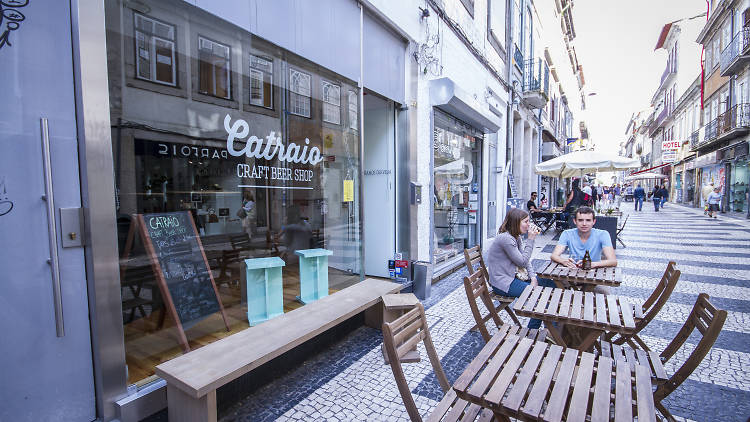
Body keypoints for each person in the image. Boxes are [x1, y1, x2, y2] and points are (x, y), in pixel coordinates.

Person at [486, 208, 556, 329]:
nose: (529, 225)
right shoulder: (506, 239)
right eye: (526, 221)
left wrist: (533, 277)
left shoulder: (515, 237)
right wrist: (531, 239)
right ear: (515, 222)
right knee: (538, 296)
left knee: (551, 284)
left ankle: (555, 327)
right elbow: (522, 262)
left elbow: (525, 260)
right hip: (503, 283)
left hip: (515, 277)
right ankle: (533, 331)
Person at [550, 206, 617, 293]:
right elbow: (554, 255)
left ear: (594, 221)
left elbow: (613, 261)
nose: (584, 224)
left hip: (594, 276)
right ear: (575, 221)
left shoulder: (603, 234)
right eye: (580, 220)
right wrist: (564, 261)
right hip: (571, 274)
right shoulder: (567, 234)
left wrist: (592, 264)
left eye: (588, 220)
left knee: (604, 295)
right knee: (557, 291)